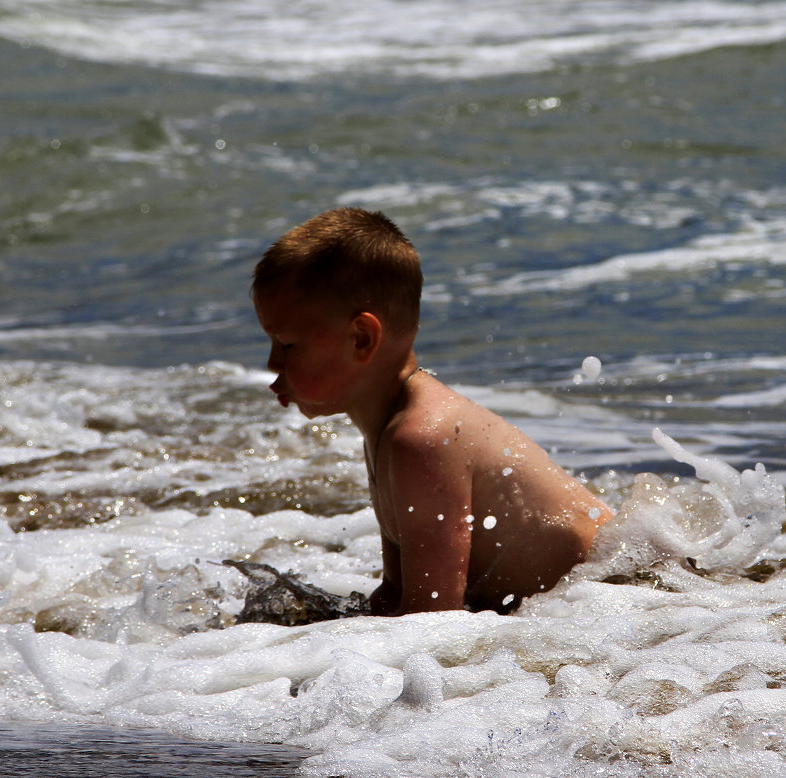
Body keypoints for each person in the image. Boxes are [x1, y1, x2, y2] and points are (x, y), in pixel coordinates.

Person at [252, 207, 613, 615]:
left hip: (629, 596)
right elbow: (395, 593)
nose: (271, 363)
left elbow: (432, 618)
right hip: (601, 604)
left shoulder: (420, 440)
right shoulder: (385, 432)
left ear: (361, 338)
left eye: (286, 345)